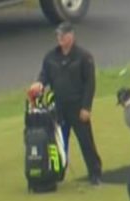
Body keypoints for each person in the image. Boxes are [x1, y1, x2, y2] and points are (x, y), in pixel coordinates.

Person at [31, 22, 102, 185]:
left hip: (77, 106)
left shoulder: (84, 56)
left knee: (86, 142)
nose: (60, 38)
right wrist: (39, 84)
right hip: (59, 107)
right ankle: (58, 173)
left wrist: (86, 107)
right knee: (59, 142)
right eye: (58, 35)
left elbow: (90, 84)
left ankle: (95, 173)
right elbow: (45, 76)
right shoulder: (51, 57)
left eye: (63, 35)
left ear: (71, 36)